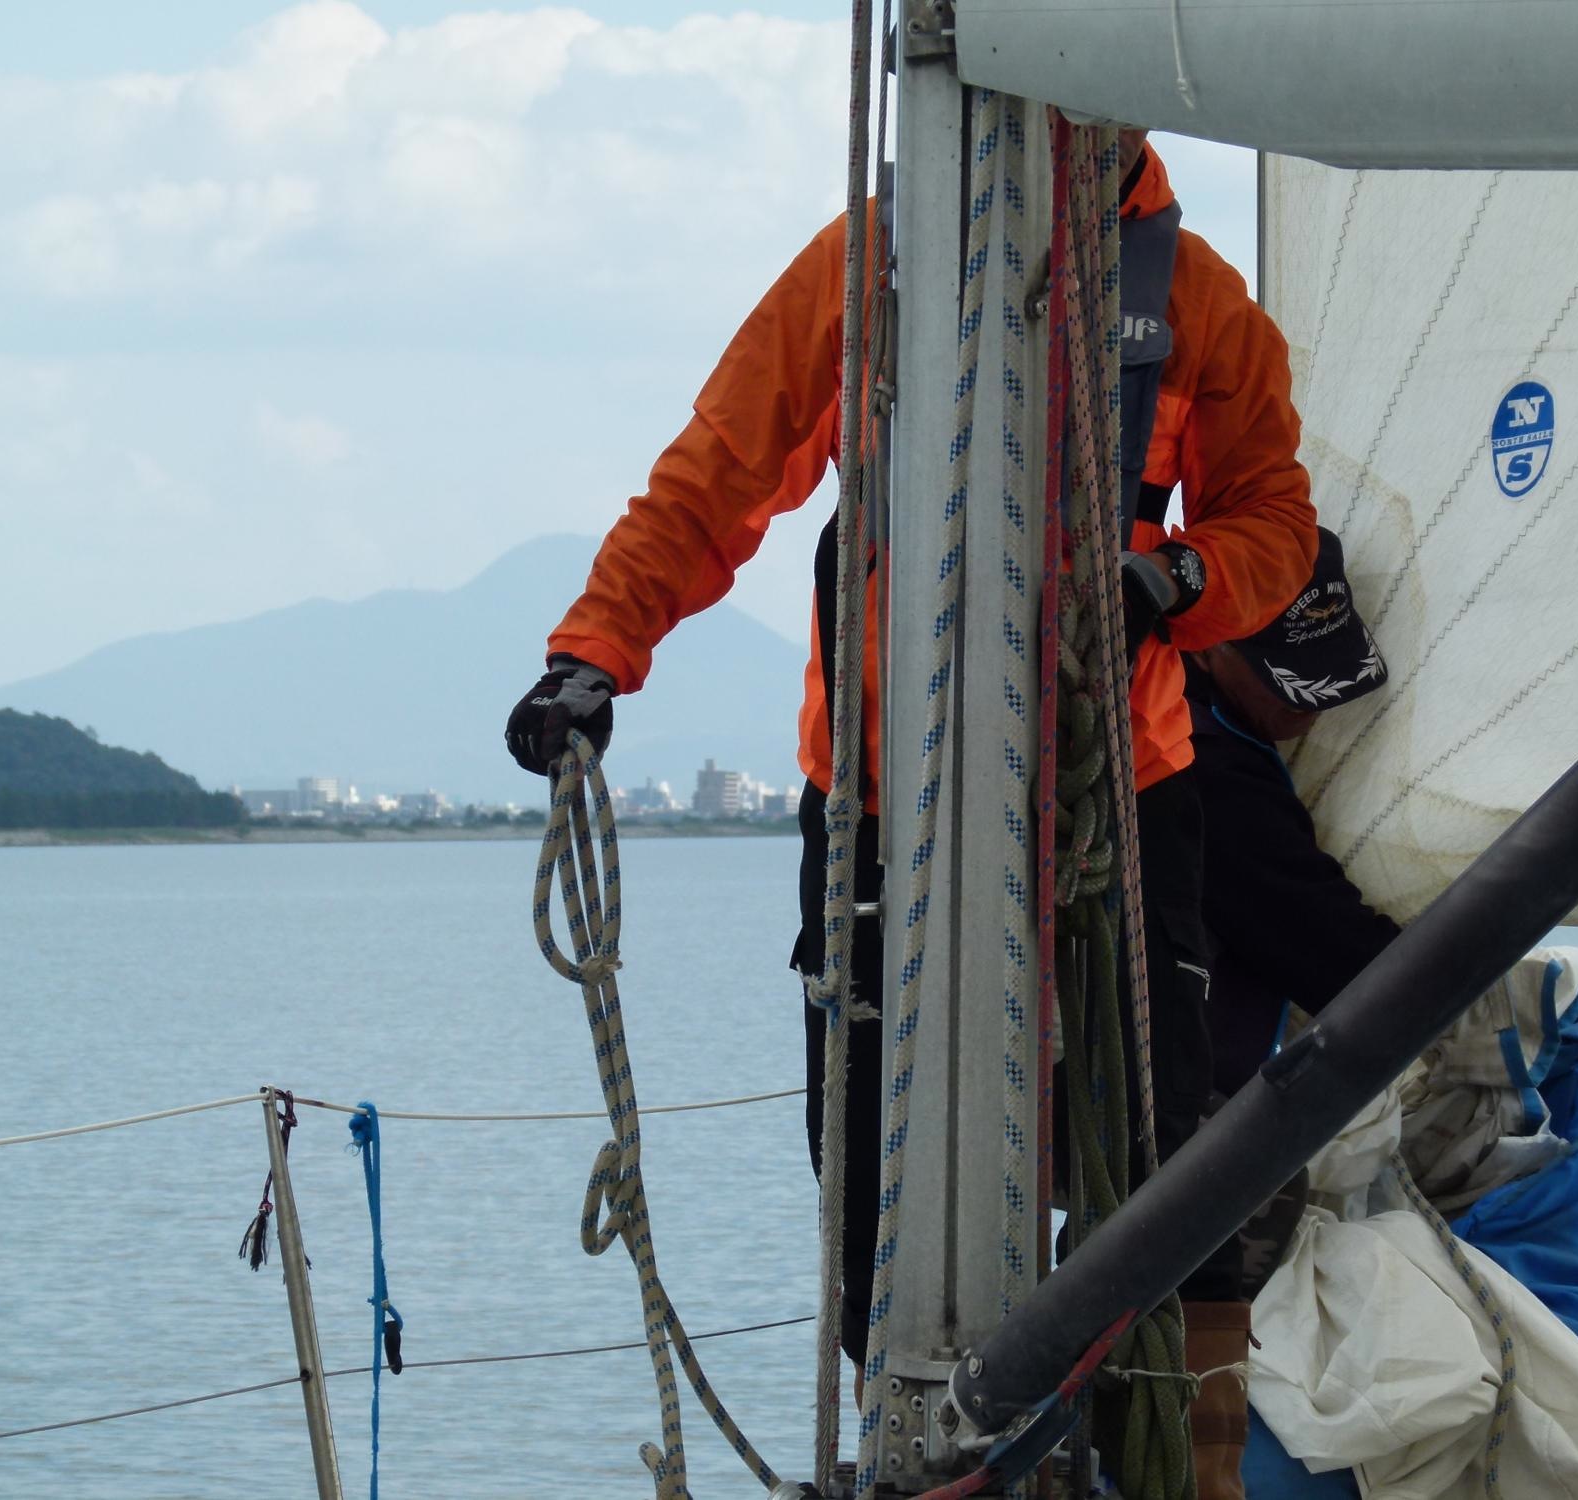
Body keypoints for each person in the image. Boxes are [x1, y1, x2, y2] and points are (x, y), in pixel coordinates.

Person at [504, 129, 1318, 1497]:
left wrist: (1171, 579)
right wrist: (595, 650)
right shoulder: (867, 269)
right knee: (867, 1199)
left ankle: (1170, 1466)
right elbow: (719, 471)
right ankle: (921, 1460)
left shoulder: (1193, 301)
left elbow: (1272, 523)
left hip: (1121, 793)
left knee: (1163, 1183)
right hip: (883, 801)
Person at [1185, 526, 1402, 1102]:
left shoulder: (1204, 720)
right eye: (1284, 672)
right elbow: (1338, 961)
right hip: (1159, 1117)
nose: (1316, 704)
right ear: (1205, 646)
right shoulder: (1203, 769)